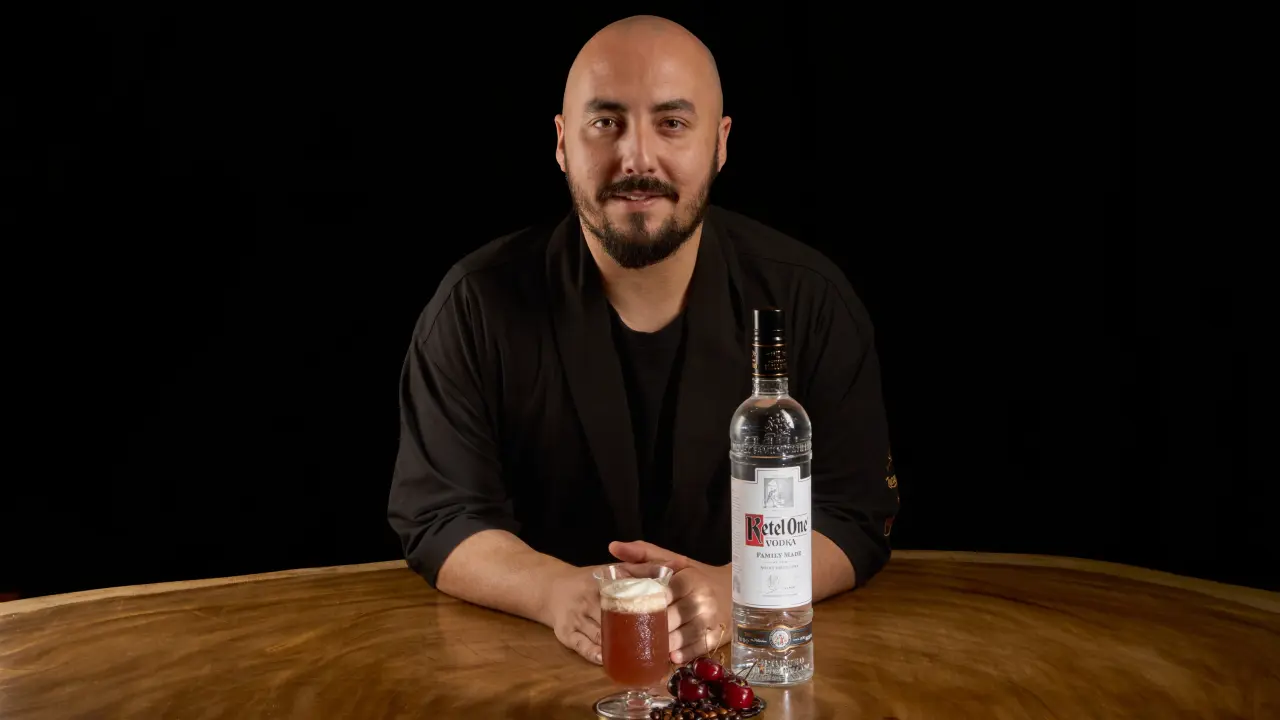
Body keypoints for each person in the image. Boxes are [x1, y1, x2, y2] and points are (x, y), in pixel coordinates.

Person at [387, 15, 899, 667]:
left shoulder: (810, 300)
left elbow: (853, 514)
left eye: (672, 123)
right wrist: (556, 593)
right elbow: (441, 515)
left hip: (752, 664)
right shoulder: (473, 306)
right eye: (606, 122)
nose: (636, 159)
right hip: (531, 663)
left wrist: (733, 590)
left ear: (720, 144)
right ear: (562, 143)